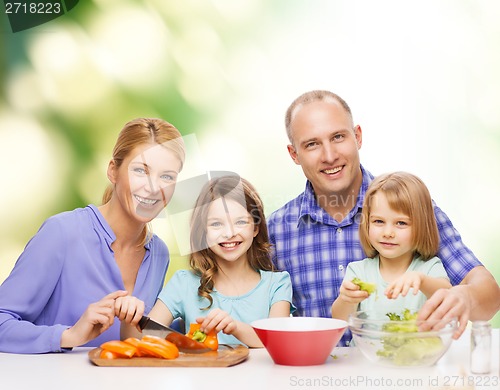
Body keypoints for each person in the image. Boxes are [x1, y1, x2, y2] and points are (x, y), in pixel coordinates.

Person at [267, 90, 500, 345]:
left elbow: (488, 295)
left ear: (357, 136)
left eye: (338, 137)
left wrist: (466, 297)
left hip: (402, 372)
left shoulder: (411, 208)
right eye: (312, 144)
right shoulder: (276, 230)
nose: (329, 155)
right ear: (293, 154)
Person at [0, 118, 185, 353]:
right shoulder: (62, 233)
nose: (153, 187)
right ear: (113, 170)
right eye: (140, 170)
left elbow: (144, 336)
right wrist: (69, 335)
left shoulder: (158, 252)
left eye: (167, 177)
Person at [122, 175, 293, 347]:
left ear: (255, 228)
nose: (229, 233)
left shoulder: (277, 284)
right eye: (216, 224)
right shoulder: (184, 283)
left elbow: (278, 341)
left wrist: (234, 327)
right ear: (203, 232)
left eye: (240, 222)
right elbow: (144, 340)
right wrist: (129, 315)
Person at [331, 172, 452, 320]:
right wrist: (346, 299)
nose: (388, 233)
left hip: (417, 344)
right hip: (364, 344)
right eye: (378, 222)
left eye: (401, 223)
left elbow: (447, 297)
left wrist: (421, 281)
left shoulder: (429, 269)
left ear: (421, 226)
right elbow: (339, 319)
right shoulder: (359, 271)